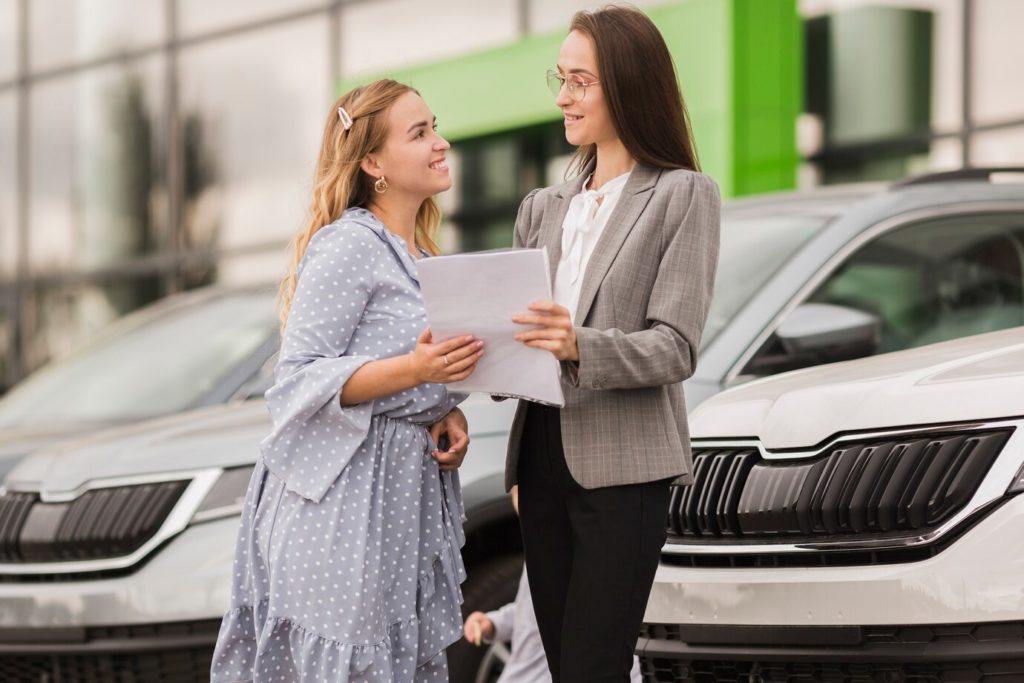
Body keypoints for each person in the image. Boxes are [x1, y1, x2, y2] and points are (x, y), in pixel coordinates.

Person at [210, 79, 484, 682]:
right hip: (342, 505)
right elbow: (297, 381)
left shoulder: (423, 257)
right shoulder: (348, 245)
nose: (441, 143)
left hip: (401, 499)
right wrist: (415, 371)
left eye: (434, 126)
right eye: (420, 133)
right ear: (372, 163)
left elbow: (403, 375)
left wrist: (443, 408)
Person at [505, 6, 722, 682]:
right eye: (560, 78)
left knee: (593, 668)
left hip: (625, 469)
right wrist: (474, 349)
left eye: (580, 81)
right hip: (541, 458)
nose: (563, 96)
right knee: (563, 665)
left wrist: (579, 346)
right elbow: (518, 339)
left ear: (627, 86)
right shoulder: (542, 208)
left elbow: (676, 346)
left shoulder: (682, 196)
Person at [462, 487, 642, 683]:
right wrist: (493, 623)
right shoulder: (537, 558)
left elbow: (610, 624)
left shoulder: (583, 557)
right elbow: (528, 613)